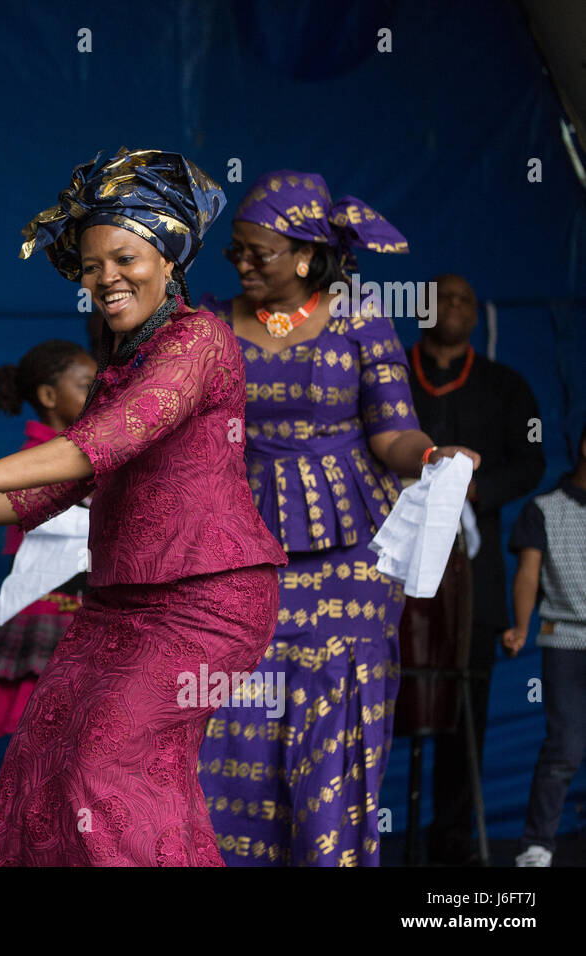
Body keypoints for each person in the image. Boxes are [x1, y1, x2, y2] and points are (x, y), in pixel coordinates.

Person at [0, 148, 289, 866]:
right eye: (92, 266)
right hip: (119, 600)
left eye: (124, 258)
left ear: (168, 257)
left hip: (205, 598)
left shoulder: (199, 340)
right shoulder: (123, 365)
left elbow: (96, 445)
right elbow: (56, 489)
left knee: (107, 767)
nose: (106, 279)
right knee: (44, 761)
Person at [196, 170, 480, 866]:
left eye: (257, 251)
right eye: (235, 249)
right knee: (235, 729)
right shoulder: (206, 325)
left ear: (303, 255)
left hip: (348, 562)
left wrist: (434, 456)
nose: (240, 263)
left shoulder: (360, 317)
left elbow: (392, 434)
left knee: (333, 733)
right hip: (241, 554)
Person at [405, 273, 546, 863]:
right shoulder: (389, 377)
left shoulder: (505, 387)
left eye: (466, 299)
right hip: (394, 575)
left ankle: (453, 836)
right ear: (423, 307)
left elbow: (531, 463)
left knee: (468, 713)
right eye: (443, 297)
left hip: (475, 581)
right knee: (388, 701)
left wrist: (472, 492)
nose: (455, 307)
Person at [0, 340, 96, 737]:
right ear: (49, 396)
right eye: (87, 385)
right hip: (51, 607)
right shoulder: (35, 462)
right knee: (44, 734)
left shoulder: (89, 456)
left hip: (86, 606)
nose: (98, 394)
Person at [506, 423, 586, 867]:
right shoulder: (544, 509)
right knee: (566, 746)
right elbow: (528, 575)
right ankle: (537, 844)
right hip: (566, 641)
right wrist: (521, 626)